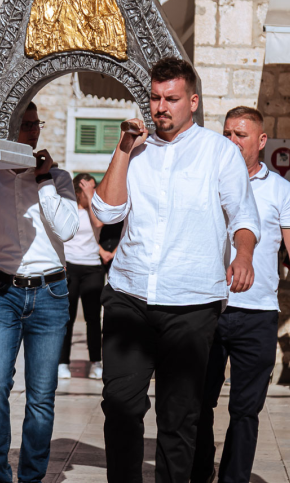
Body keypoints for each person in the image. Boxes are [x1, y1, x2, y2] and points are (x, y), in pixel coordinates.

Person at [90, 57, 261, 483]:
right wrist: (123, 149)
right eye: (154, 97)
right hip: (129, 294)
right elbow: (107, 211)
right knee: (121, 403)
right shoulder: (136, 150)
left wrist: (243, 256)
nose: (160, 106)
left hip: (192, 302)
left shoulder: (219, 152)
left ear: (193, 101)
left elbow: (243, 215)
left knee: (179, 416)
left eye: (171, 98)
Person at [191, 106, 290, 483]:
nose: (232, 141)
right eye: (228, 133)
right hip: (207, 308)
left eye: (241, 134)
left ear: (261, 141)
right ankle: (200, 473)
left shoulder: (282, 191)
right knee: (199, 403)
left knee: (246, 410)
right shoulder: (207, 180)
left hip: (258, 314)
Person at [0, 102, 78, 483]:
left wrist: (44, 181)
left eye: (36, 124)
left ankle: (32, 477)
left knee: (41, 395)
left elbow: (67, 230)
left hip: (51, 293)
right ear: (7, 128)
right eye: (24, 124)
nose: (32, 131)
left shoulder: (61, 179)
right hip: (2, 290)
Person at [58, 172, 113, 380]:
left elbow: (98, 225)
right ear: (78, 190)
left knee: (93, 319)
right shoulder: (68, 209)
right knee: (67, 317)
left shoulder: (95, 210)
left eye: (94, 187)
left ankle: (96, 362)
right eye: (87, 188)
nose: (93, 190)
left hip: (92, 268)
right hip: (70, 267)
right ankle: (62, 363)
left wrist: (91, 196)